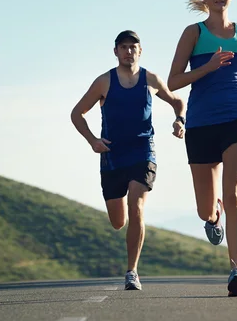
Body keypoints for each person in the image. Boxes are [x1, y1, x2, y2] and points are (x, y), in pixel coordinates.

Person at [167, 0, 237, 297]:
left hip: (236, 119)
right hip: (200, 124)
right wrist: (208, 67)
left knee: (235, 196)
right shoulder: (193, 33)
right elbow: (173, 81)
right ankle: (213, 218)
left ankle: (235, 271)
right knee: (205, 208)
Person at [70, 30, 186, 291]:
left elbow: (178, 101)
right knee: (118, 221)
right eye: (123, 47)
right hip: (112, 155)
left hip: (143, 151)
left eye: (133, 47)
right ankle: (129, 250)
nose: (128, 51)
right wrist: (92, 141)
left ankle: (132, 271)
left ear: (140, 51)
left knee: (137, 205)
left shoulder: (151, 79)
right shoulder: (104, 82)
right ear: (115, 52)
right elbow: (77, 113)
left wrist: (180, 121)